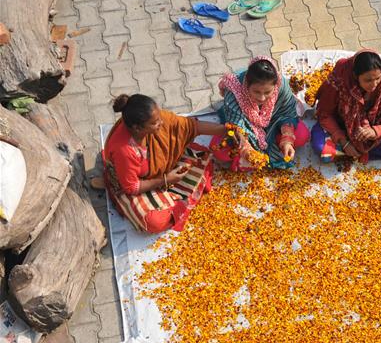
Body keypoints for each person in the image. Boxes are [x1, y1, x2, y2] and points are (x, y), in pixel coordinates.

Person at [102, 94, 226, 233]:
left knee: (203, 159)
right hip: (131, 181)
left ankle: (174, 198)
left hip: (157, 172)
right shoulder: (124, 150)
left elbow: (193, 126)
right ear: (137, 128)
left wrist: (227, 130)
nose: (161, 123)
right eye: (155, 123)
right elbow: (132, 187)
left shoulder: (157, 119)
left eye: (159, 117)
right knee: (154, 222)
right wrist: (165, 180)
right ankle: (177, 200)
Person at [311, 50, 381, 162]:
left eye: (377, 78)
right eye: (368, 80)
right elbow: (325, 114)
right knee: (320, 148)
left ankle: (358, 154)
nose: (374, 85)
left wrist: (376, 131)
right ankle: (353, 151)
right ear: (355, 76)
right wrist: (344, 142)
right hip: (343, 124)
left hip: (374, 126)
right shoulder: (339, 81)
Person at [215, 56, 309, 170]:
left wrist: (287, 140)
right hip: (246, 126)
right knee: (220, 152)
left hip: (273, 122)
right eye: (256, 91)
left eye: (268, 92)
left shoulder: (281, 86)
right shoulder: (234, 94)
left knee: (302, 135)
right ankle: (252, 152)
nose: (262, 98)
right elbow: (236, 127)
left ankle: (270, 144)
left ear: (275, 86)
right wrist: (246, 148)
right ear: (246, 85)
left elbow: (287, 113)